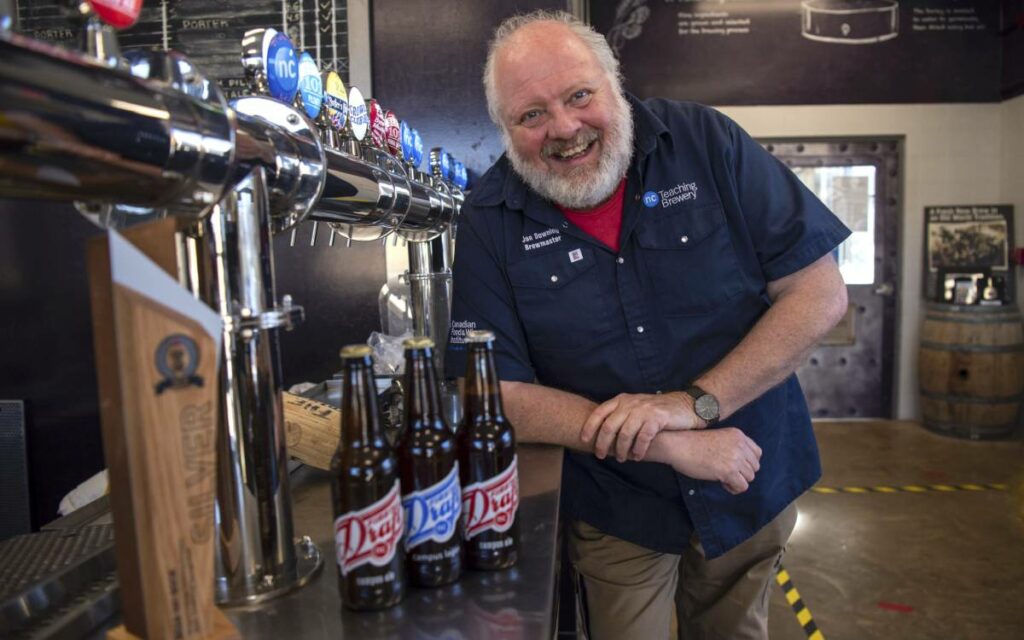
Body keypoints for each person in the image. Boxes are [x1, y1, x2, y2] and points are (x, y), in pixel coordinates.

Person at [445, 10, 850, 640]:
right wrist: (666, 439)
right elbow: (494, 392)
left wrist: (694, 406)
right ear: (504, 128)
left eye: (579, 95)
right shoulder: (489, 218)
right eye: (531, 115)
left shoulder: (706, 143)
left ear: (614, 81)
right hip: (617, 504)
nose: (564, 128)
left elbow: (818, 291)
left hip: (749, 468)